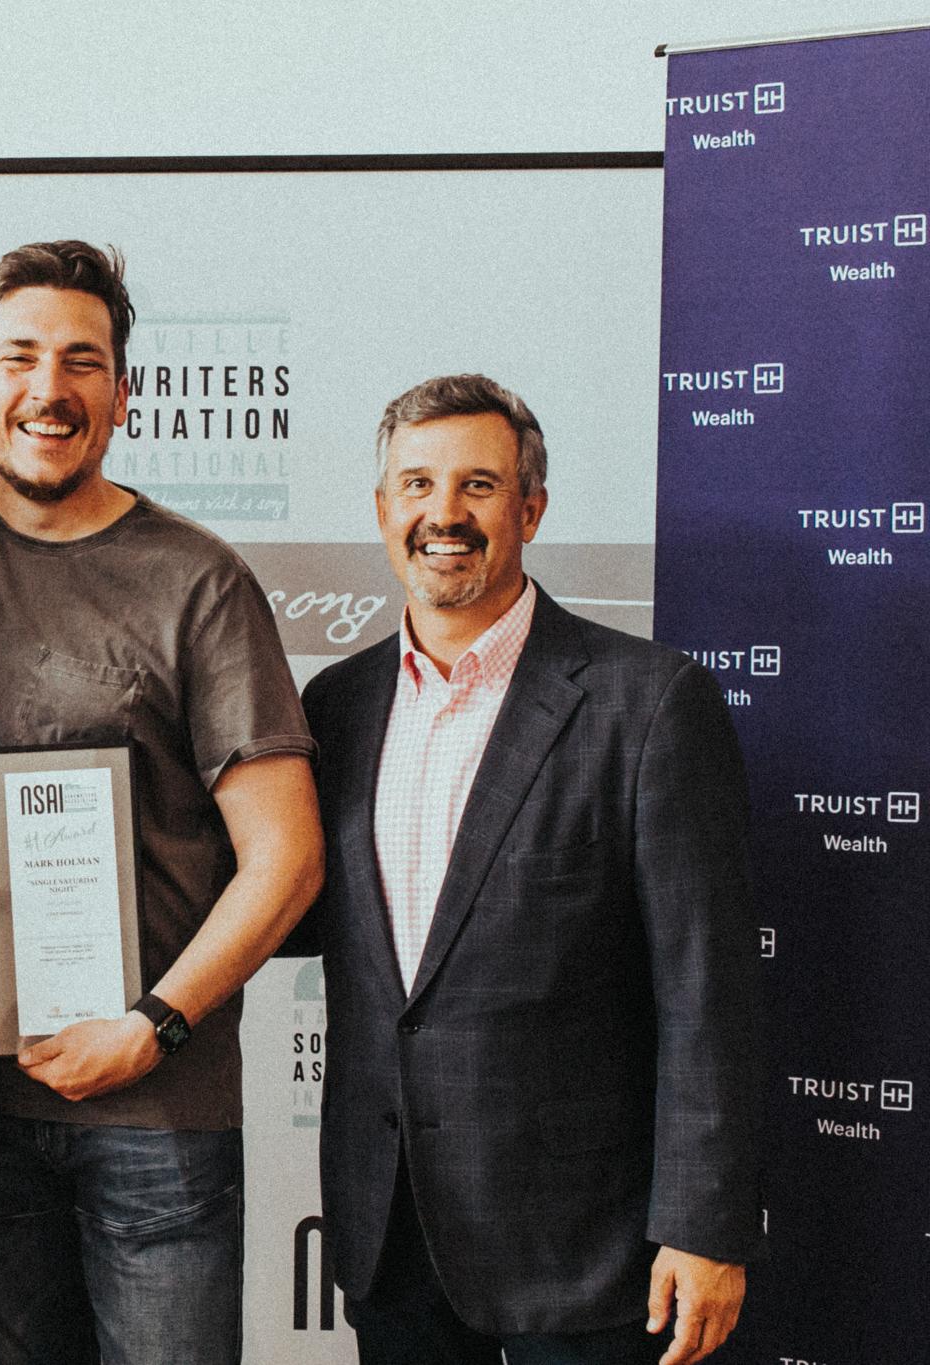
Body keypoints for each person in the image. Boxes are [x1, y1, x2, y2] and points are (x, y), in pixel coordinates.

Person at [0, 240, 323, 1365]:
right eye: (20, 357)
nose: (47, 389)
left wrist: (152, 1027)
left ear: (122, 393)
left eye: (81, 361)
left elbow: (287, 857)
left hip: (157, 1114)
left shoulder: (197, 581)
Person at [299, 373, 762, 1365]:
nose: (443, 513)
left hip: (591, 1248)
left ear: (531, 509)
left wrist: (704, 1223)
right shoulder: (333, 707)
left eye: (477, 485)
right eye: (416, 484)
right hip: (393, 1231)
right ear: (381, 511)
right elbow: (286, 905)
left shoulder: (648, 703)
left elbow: (707, 990)